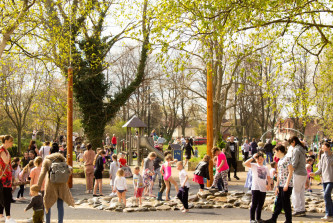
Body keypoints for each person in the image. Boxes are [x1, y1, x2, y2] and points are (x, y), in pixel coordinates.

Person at [37, 142, 74, 223]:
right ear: (58, 151)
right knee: (60, 205)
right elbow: (69, 171)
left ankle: (47, 221)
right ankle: (60, 221)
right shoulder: (62, 159)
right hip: (62, 185)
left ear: (50, 152)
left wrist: (38, 186)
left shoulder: (47, 160)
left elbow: (42, 174)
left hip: (50, 184)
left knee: (47, 204)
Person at [264, 145, 293, 223]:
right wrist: (277, 186)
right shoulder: (280, 161)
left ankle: (288, 220)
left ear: (279, 151)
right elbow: (279, 174)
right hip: (280, 185)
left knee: (286, 203)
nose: (275, 153)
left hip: (287, 184)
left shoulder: (287, 159)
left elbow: (291, 171)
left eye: (275, 152)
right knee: (279, 202)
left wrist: (286, 184)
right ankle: (273, 219)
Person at [244, 152, 272, 223]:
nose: (260, 160)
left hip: (263, 188)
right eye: (258, 159)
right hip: (255, 188)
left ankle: (258, 218)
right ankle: (252, 219)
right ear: (256, 160)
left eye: (261, 159)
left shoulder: (266, 168)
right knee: (254, 204)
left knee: (260, 204)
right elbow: (245, 163)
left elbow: (268, 178)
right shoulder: (254, 166)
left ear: (263, 159)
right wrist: (253, 157)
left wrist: (268, 185)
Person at [310, 142, 333, 221]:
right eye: (322, 147)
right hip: (324, 179)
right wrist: (314, 173)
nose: (322, 148)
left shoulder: (331, 156)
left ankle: (328, 214)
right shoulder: (323, 156)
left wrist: (327, 154)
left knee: (326, 195)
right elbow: (320, 168)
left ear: (328, 147)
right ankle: (330, 214)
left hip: (331, 179)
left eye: (324, 147)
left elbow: (330, 163)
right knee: (327, 196)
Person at [289, 136, 307, 217]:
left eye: (291, 143)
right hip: (303, 172)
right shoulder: (302, 149)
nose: (291, 145)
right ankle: (302, 208)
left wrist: (290, 169)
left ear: (293, 141)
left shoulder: (296, 149)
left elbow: (294, 163)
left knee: (295, 192)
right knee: (301, 192)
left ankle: (297, 209)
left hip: (298, 173)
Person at [0, 135, 16, 223]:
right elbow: (6, 161)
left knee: (2, 196)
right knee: (6, 197)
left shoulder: (4, 150)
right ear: (6, 141)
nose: (12, 143)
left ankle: (1, 215)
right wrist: (9, 154)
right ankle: (8, 217)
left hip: (6, 177)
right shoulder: (2, 150)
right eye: (10, 141)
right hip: (4, 178)